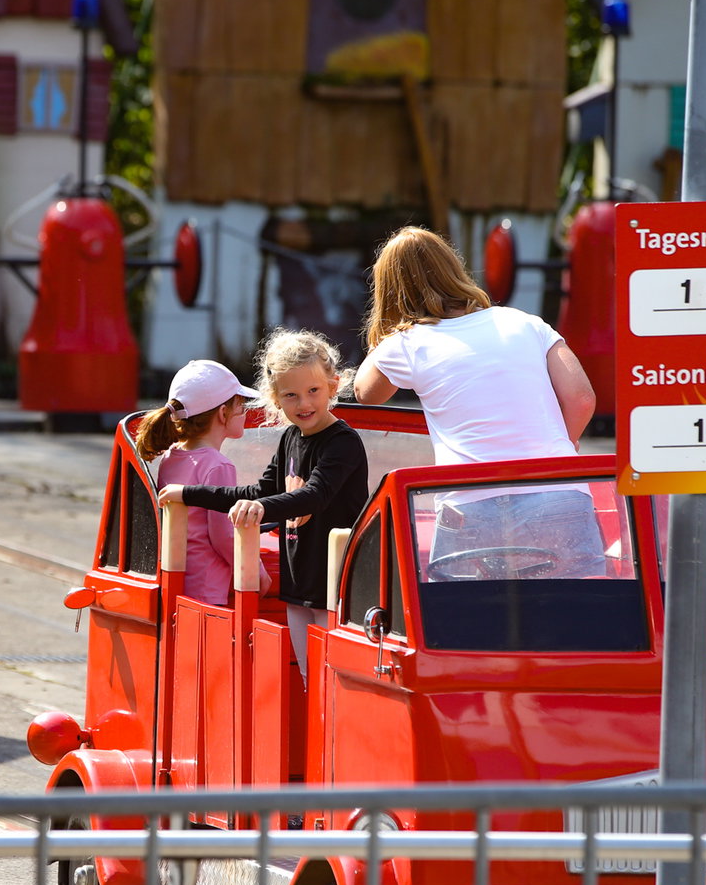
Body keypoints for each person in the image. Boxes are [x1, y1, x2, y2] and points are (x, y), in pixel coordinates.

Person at [353, 225, 603, 579]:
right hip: (559, 491)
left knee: (462, 627)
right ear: (454, 268)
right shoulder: (523, 322)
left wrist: (390, 326)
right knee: (582, 620)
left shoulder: (408, 343)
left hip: (471, 504)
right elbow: (581, 399)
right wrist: (564, 444)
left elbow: (366, 393)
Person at [159, 330, 369, 682]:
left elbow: (315, 495)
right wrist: (188, 493)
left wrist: (260, 510)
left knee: (331, 680)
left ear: (334, 386)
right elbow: (258, 491)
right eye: (291, 395)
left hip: (335, 586)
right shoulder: (290, 438)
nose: (304, 404)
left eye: (313, 391)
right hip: (298, 583)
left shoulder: (342, 443)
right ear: (276, 399)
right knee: (307, 676)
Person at [137, 360, 267, 606]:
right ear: (223, 413)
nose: (245, 411)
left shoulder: (170, 457)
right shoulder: (218, 465)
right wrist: (255, 570)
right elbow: (222, 534)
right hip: (209, 588)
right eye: (241, 405)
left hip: (179, 581)